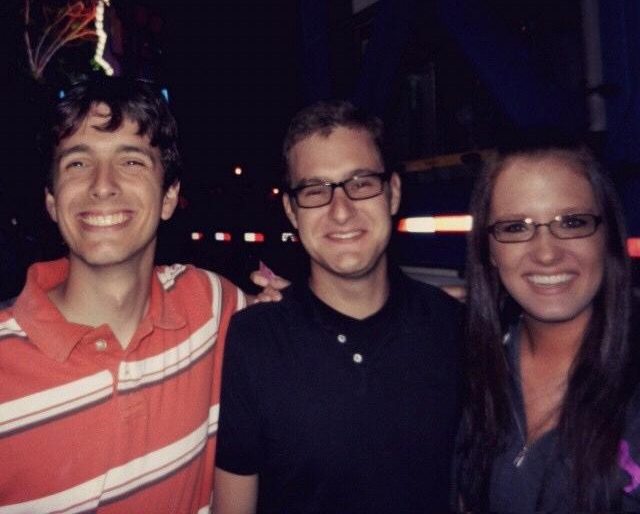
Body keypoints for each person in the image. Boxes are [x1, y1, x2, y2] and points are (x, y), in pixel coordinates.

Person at [0, 78, 247, 513]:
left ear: (169, 197)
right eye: (78, 163)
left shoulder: (212, 304)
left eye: (131, 161)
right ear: (52, 201)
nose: (102, 185)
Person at [213, 100, 464, 514]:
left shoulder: (453, 328)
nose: (341, 210)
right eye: (315, 190)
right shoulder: (255, 340)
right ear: (292, 211)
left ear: (393, 192)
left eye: (361, 183)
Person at [456, 138, 640, 511]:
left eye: (572, 222)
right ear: (489, 250)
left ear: (606, 236)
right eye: (515, 227)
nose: (546, 253)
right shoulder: (465, 364)